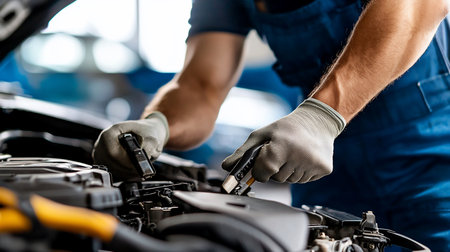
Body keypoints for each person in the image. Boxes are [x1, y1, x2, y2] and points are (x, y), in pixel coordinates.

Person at [92, 0, 450, 250]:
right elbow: (200, 84)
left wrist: (321, 116)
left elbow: (419, 6)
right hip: (323, 179)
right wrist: (158, 124)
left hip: (431, 167)